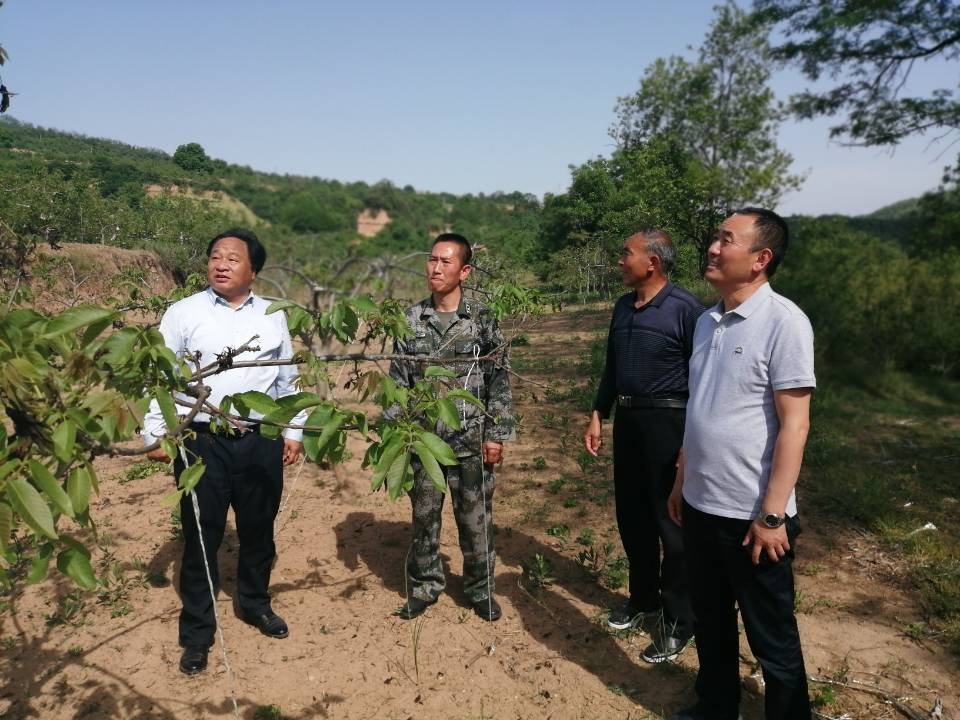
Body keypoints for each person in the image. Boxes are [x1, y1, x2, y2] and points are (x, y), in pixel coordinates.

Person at [667, 209, 815, 720]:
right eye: (715, 238)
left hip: (752, 516)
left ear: (760, 259)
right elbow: (702, 407)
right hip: (701, 503)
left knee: (771, 635)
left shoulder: (784, 322)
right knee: (710, 619)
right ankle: (717, 705)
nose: (712, 247)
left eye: (726, 240)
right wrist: (683, 479)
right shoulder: (706, 321)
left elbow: (795, 425)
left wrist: (773, 515)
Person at [142, 229, 305, 676]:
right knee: (201, 535)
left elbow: (286, 378)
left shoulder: (273, 315)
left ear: (253, 270)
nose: (221, 264)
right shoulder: (183, 312)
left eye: (233, 258)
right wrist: (155, 432)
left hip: (259, 439)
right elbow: (161, 377)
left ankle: (254, 603)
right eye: (216, 256)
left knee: (258, 530)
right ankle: (197, 633)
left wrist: (294, 430)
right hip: (201, 440)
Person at [583, 230, 702, 663]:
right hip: (629, 422)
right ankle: (643, 599)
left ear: (652, 262)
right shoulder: (622, 307)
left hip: (669, 422)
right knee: (632, 516)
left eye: (626, 254)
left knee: (671, 522)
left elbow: (704, 380)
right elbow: (613, 366)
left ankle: (679, 620)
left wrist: (692, 442)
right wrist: (599, 411)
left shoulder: (685, 309)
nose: (620, 261)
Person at [388, 233, 515, 621]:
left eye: (446, 262)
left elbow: (498, 378)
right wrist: (398, 436)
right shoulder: (410, 320)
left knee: (476, 521)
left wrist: (496, 434)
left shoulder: (482, 319)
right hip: (424, 442)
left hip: (471, 440)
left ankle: (480, 589)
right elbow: (398, 382)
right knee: (424, 518)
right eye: (432, 260)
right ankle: (425, 586)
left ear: (465, 271)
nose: (436, 268)